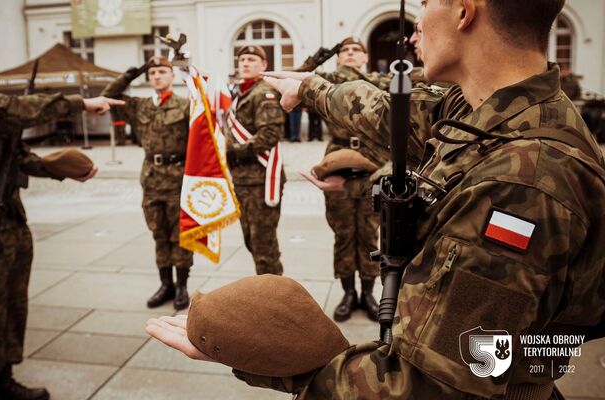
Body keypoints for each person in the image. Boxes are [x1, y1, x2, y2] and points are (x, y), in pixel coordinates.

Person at [148, 0, 605, 398]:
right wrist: (310, 88)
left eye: (425, 3)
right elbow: (394, 112)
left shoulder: (520, 187)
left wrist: (273, 360)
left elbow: (426, 384)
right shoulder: (496, 109)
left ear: (465, 11)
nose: (415, 28)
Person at [0, 24, 121, 400]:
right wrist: (81, 103)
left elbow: (14, 157)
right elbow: (16, 110)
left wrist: (56, 168)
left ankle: (3, 378)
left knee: (10, 304)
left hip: (4, 220)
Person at [299, 37, 389, 322]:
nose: (350, 54)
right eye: (344, 51)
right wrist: (315, 60)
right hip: (337, 156)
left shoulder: (380, 81)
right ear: (337, 59)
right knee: (342, 231)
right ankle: (348, 292)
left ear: (365, 57)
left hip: (372, 157)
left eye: (355, 50)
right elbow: (299, 81)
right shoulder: (329, 79)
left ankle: (369, 292)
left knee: (370, 230)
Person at [100, 56, 193, 310]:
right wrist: (127, 76)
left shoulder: (185, 105)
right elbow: (107, 97)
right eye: (152, 73)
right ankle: (166, 284)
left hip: (178, 178)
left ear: (172, 76)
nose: (157, 76)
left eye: (162, 71)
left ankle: (182, 285)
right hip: (151, 178)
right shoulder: (139, 106)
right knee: (158, 234)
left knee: (180, 236)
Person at [224, 45, 286, 276]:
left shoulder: (264, 93)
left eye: (251, 59)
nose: (245, 63)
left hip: (261, 180)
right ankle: (266, 292)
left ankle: (274, 299)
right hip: (243, 180)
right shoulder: (241, 93)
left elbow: (270, 134)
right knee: (252, 239)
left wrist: (232, 151)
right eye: (241, 60)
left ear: (264, 65)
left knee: (264, 247)